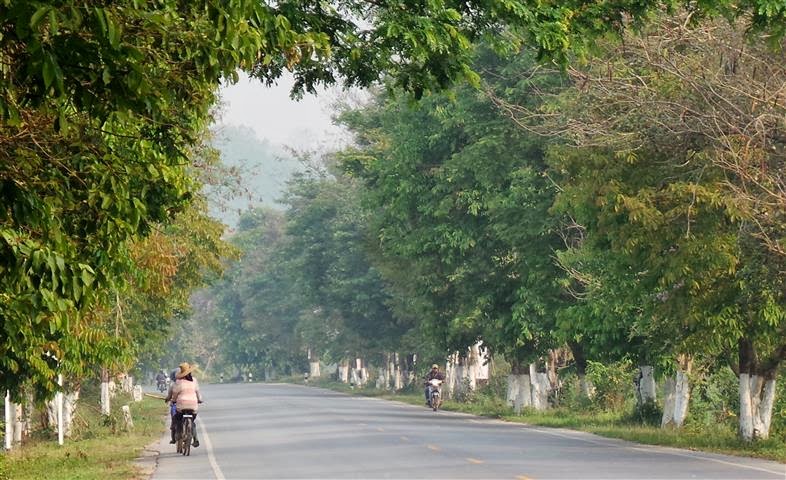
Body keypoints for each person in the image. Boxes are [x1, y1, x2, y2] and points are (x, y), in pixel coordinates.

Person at [166, 362, 203, 448]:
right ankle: (195, 439)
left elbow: (174, 395)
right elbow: (198, 393)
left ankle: (178, 434)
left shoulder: (178, 382)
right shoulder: (194, 381)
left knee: (178, 419)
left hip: (181, 406)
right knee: (192, 422)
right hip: (193, 406)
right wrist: (199, 400)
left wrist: (173, 401)